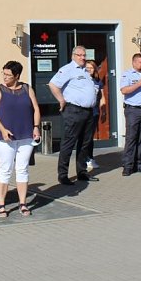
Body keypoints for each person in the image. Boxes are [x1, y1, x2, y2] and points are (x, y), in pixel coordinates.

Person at [0, 61, 41, 217]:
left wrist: (36, 126)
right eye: (3, 74)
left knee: (22, 169)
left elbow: (36, 109)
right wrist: (2, 129)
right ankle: (1, 205)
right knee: (5, 169)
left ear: (17, 76)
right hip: (5, 137)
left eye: (8, 75)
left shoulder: (27, 89)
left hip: (26, 135)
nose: (5, 77)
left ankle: (23, 203)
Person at [48, 46, 99, 185]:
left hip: (88, 112)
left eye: (84, 55)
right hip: (74, 111)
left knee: (85, 143)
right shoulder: (67, 69)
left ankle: (82, 172)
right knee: (69, 143)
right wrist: (61, 100)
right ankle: (63, 175)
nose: (83, 57)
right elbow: (53, 85)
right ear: (73, 56)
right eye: (80, 55)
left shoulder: (85, 71)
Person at [84, 59, 106, 171]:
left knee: (90, 138)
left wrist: (104, 110)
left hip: (94, 112)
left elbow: (102, 97)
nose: (89, 70)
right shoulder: (81, 81)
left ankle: (90, 158)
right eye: (87, 68)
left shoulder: (97, 81)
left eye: (91, 68)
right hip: (84, 113)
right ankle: (85, 159)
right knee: (84, 137)